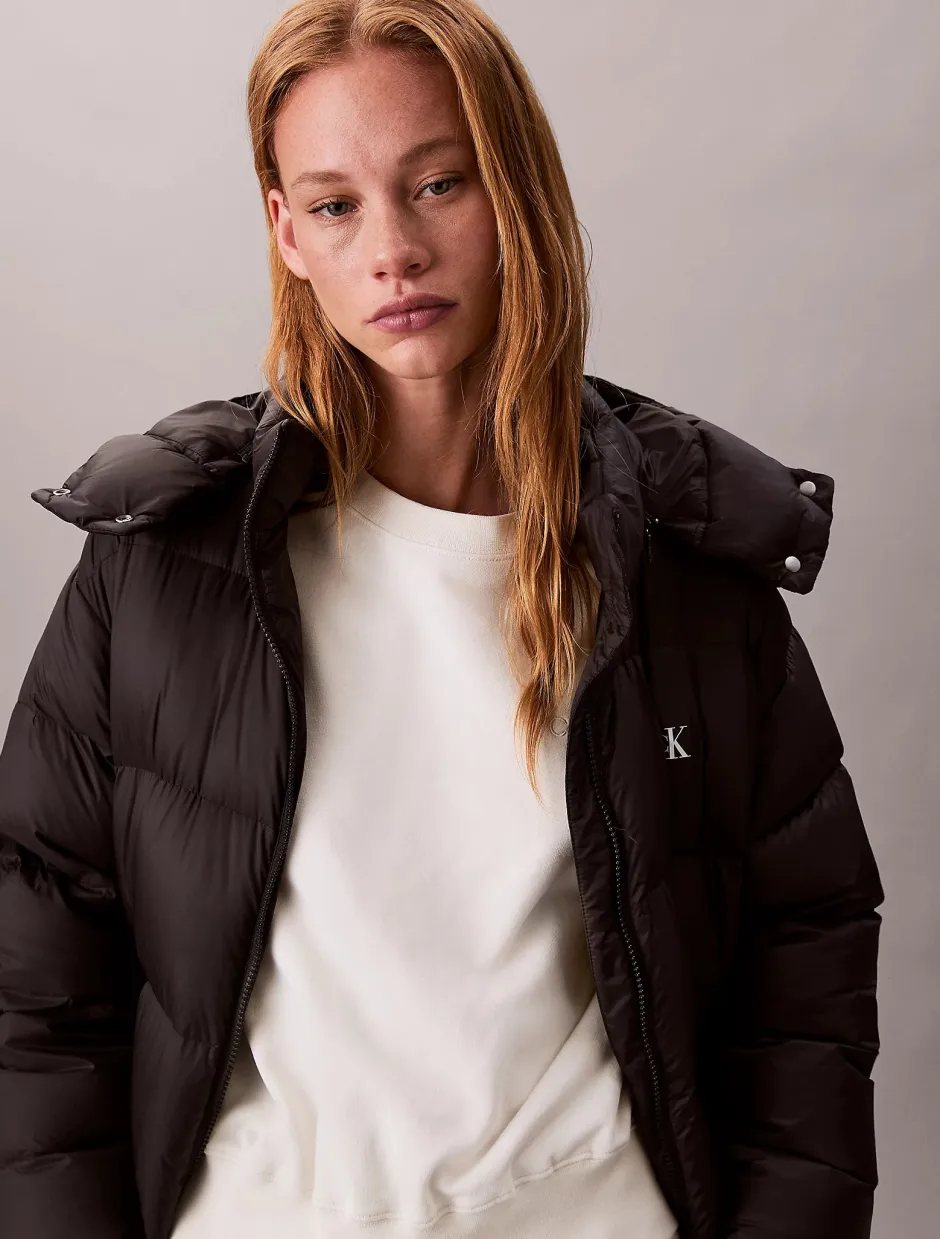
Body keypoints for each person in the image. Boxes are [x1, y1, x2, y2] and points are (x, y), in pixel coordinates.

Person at [0, 1, 884, 1237]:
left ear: (515, 188)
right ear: (286, 233)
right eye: (335, 205)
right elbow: (37, 984)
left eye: (438, 183)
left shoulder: (687, 568)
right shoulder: (161, 566)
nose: (394, 251)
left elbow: (804, 974)